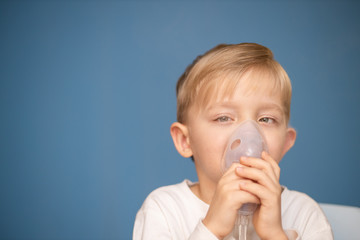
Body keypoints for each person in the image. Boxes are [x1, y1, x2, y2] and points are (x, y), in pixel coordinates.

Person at [133, 43, 333, 240]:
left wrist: (274, 235)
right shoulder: (165, 210)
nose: (248, 136)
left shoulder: (303, 214)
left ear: (285, 143)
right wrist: (211, 228)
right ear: (186, 140)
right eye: (223, 118)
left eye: (266, 119)